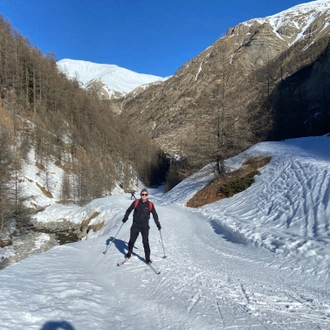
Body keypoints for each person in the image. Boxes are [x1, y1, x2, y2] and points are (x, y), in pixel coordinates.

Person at [122, 188, 161, 264]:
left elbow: (154, 214)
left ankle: (147, 258)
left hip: (145, 227)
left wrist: (158, 224)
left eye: (145, 194)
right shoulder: (136, 202)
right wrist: (125, 217)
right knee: (131, 241)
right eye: (142, 194)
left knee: (145, 243)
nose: (144, 196)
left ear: (147, 195)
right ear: (140, 195)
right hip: (135, 225)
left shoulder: (150, 204)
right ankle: (129, 253)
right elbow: (129, 210)